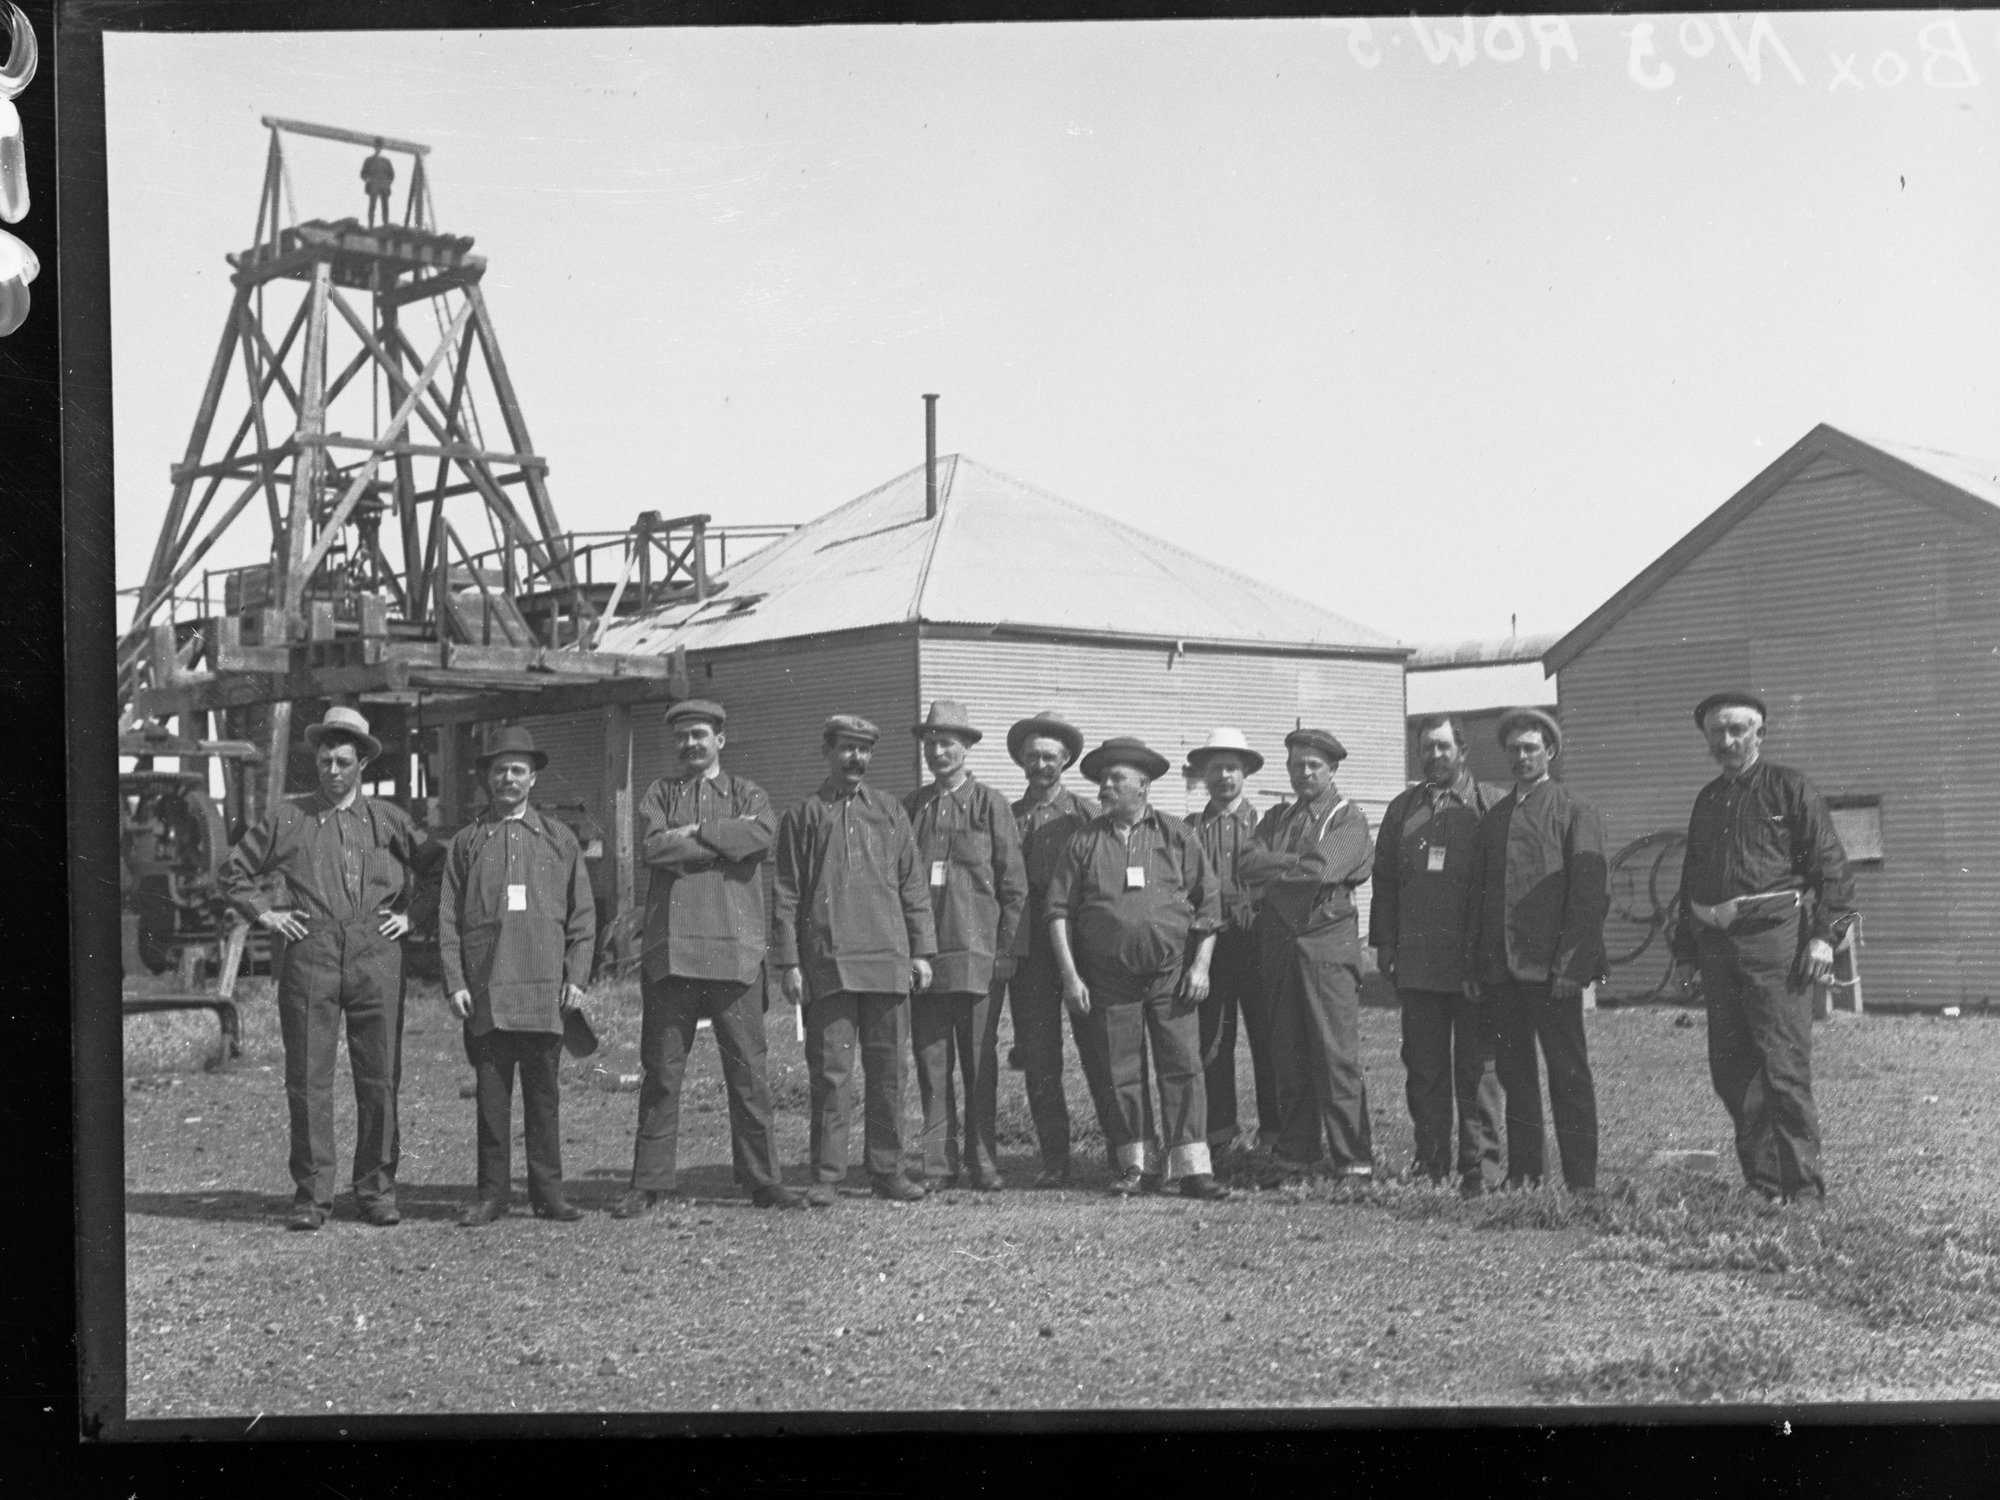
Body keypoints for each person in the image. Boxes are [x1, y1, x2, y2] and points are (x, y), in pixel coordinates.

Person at [220, 705, 417, 1231]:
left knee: (380, 1078)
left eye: (343, 761)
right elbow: (233, 872)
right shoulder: (289, 819)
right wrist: (266, 912)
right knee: (308, 1079)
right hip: (311, 952)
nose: (333, 770)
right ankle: (312, 1197)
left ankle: (376, 1191)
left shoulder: (388, 819)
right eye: (326, 760)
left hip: (377, 953)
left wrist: (408, 914)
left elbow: (438, 864)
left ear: (362, 765)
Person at [1667, 692, 1857, 1205]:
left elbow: (1834, 872)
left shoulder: (1790, 788)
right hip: (1716, 947)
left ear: (1760, 734)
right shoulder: (1707, 800)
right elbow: (1690, 882)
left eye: (1736, 730)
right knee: (1731, 1069)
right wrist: (1686, 952)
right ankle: (1764, 1183)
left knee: (1782, 1067)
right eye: (1716, 733)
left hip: (1775, 943)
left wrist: (1823, 936)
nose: (1726, 741)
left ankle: (1803, 1192)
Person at [613, 699, 800, 1218]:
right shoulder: (659, 793)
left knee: (748, 1074)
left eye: (700, 734)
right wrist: (722, 840)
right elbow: (653, 849)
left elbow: (760, 835)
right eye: (682, 737)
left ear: (721, 739)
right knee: (662, 1074)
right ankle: (649, 1183)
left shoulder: (749, 793)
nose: (690, 744)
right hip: (671, 955)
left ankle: (762, 1180)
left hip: (735, 957)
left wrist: (694, 834)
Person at [1045, 736, 1229, 1200]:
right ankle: (1139, 1168)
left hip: (1171, 977)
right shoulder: (1083, 841)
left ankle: (1193, 1170)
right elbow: (1058, 912)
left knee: (1182, 1067)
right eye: (1103, 778)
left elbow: (1208, 907)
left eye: (1116, 778)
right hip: (1109, 980)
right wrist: (1071, 976)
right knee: (1121, 1070)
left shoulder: (1176, 835)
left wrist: (1200, 967)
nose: (1105, 785)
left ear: (1142, 785)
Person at [773, 715, 937, 1207]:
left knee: (889, 1072)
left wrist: (923, 952)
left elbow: (913, 886)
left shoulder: (889, 812)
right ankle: (827, 1175)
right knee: (830, 1073)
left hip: (888, 963)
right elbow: (785, 894)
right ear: (827, 750)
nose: (855, 759)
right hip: (829, 965)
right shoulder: (803, 815)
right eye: (846, 748)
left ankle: (887, 1170)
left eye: (864, 750)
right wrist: (789, 963)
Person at [439, 727, 596, 1226]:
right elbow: (446, 918)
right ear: (487, 778)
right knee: (491, 1100)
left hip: (545, 994)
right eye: (499, 770)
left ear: (533, 778)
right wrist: (455, 981)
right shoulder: (466, 843)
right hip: (487, 995)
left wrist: (577, 976)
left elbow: (583, 917)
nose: (508, 778)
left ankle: (548, 1194)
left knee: (543, 1099)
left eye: (517, 770)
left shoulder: (558, 839)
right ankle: (491, 1195)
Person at [1000, 711, 1154, 1188]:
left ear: (1066, 760)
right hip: (1030, 948)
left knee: (1101, 1051)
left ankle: (1121, 1153)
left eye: (1050, 757)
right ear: (1022, 763)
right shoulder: (1007, 816)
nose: (1041, 765)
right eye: (1032, 757)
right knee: (1041, 1057)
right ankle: (1054, 1159)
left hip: (1080, 948)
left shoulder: (1087, 813)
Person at [1461, 708, 1609, 1193]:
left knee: (1568, 1075)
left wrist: (1572, 965)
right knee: (1515, 1075)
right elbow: (1480, 897)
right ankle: (1526, 1176)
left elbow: (1588, 896)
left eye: (1530, 747)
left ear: (1550, 751)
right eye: (1513, 749)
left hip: (1553, 973)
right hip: (1503, 972)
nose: (1521, 756)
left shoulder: (1574, 810)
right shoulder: (1495, 818)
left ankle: (1582, 1183)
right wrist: (1476, 963)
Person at [1371, 715, 1508, 1196]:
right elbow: (1384, 881)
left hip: (1472, 967)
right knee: (1425, 1069)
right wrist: (1385, 944)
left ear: (1462, 751)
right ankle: (1431, 1164)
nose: (1434, 756)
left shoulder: (1489, 804)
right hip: (1420, 964)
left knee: (1478, 1069)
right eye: (1426, 748)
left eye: (1443, 747)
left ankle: (1481, 1170)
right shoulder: (1401, 810)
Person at [903, 701, 1028, 1192]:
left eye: (948, 742)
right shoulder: (913, 807)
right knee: (933, 1064)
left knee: (979, 1063)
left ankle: (984, 1161)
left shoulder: (990, 804)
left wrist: (1007, 952)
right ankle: (938, 1164)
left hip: (978, 958)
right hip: (927, 960)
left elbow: (1013, 885)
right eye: (932, 742)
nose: (938, 751)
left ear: (968, 747)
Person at [1246, 728, 1376, 1191]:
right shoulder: (1278, 816)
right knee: (1289, 1048)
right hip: (1280, 937)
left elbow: (1325, 869)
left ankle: (1352, 1159)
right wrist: (1293, 865)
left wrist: (1278, 868)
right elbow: (1246, 864)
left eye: (1313, 766)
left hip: (1326, 936)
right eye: (1296, 765)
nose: (1304, 773)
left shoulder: (1348, 818)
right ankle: (1296, 1152)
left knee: (1333, 1052)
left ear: (1332, 769)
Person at [1182, 728, 1274, 1165]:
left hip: (1258, 945)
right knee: (1213, 1043)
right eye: (1216, 768)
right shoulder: (1187, 830)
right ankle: (1218, 1136)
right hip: (1210, 949)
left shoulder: (1268, 824)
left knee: (1269, 1039)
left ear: (1246, 773)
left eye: (1232, 768)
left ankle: (1275, 1133)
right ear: (1203, 774)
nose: (1224, 776)